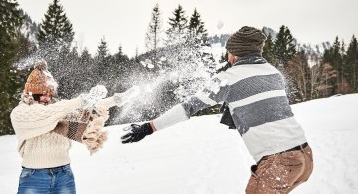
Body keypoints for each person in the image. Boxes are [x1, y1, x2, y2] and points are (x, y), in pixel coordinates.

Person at [121, 26, 313, 194]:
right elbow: (262, 104)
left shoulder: (228, 79)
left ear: (235, 53)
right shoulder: (273, 72)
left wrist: (149, 127)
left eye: (229, 51)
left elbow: (188, 108)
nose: (227, 56)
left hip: (280, 162)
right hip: (305, 157)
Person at [11, 59, 134, 194]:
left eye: (48, 93)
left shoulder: (61, 110)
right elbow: (46, 115)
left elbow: (87, 111)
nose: (46, 97)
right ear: (30, 93)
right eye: (40, 94)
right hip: (34, 177)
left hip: (63, 174)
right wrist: (82, 100)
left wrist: (115, 100)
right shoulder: (20, 113)